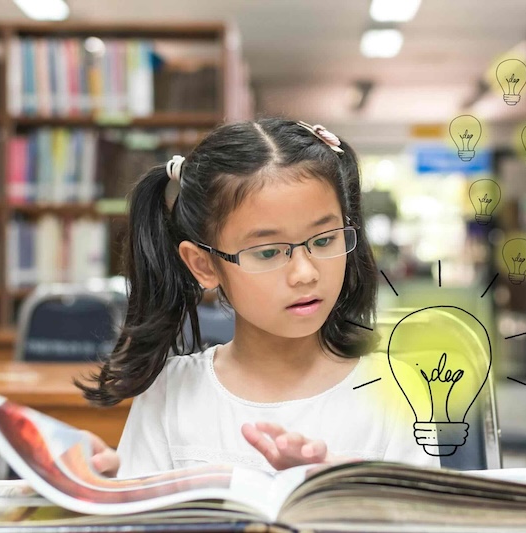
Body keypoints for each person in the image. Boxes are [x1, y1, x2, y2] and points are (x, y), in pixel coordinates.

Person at [77, 117, 440, 477]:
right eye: (268, 252)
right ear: (204, 265)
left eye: (325, 239)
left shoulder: (399, 391)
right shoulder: (171, 393)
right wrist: (101, 498)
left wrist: (343, 495)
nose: (305, 273)